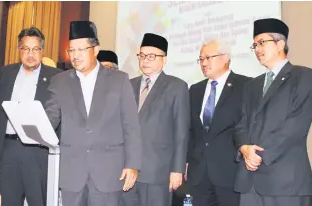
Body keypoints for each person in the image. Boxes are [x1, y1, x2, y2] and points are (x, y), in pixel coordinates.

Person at [44, 20, 142, 206]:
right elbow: (51, 119)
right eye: (71, 50)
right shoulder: (60, 82)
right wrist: (32, 124)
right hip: (72, 172)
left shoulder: (119, 80)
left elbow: (131, 125)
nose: (75, 55)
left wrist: (132, 164)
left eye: (81, 49)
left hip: (108, 171)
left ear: (96, 49)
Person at [234, 18, 312, 206]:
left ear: (280, 44)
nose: (257, 49)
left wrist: (259, 155)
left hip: (285, 181)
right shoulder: (251, 86)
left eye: (262, 42)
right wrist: (244, 149)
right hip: (250, 182)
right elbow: (241, 124)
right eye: (254, 45)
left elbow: (296, 126)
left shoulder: (303, 76)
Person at [0, 27, 62, 206]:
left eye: (35, 49)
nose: (30, 54)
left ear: (42, 51)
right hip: (9, 149)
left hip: (38, 151)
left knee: (38, 201)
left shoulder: (55, 76)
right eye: (26, 48)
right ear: (19, 49)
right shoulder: (6, 73)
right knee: (9, 201)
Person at [121, 33, 190, 206]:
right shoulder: (129, 84)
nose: (145, 60)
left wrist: (177, 170)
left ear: (164, 59)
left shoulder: (176, 87)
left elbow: (181, 132)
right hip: (127, 169)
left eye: (151, 56)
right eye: (142, 56)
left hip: (158, 172)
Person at [186, 39, 251, 206]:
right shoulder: (195, 89)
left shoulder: (246, 85)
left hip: (229, 172)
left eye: (208, 57)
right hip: (199, 174)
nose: (203, 63)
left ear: (225, 58)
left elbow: (247, 126)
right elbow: (191, 131)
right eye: (201, 59)